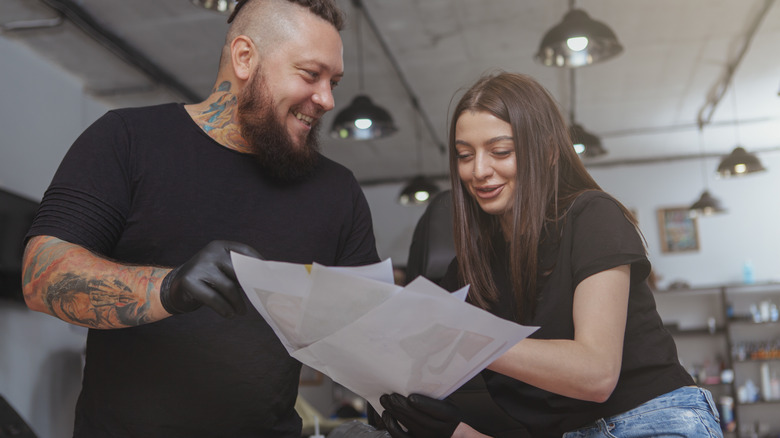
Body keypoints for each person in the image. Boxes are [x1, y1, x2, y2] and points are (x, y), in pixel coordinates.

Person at [21, 0, 379, 436]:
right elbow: (42, 277)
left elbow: (369, 338)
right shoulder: (127, 140)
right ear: (245, 57)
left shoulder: (337, 192)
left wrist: (383, 421)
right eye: (311, 75)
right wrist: (168, 288)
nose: (326, 99)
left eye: (334, 81)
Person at [379, 72, 722, 438]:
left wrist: (465, 338)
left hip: (650, 419)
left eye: (501, 151)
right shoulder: (468, 271)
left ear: (546, 151)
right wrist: (451, 431)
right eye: (465, 155)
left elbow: (596, 374)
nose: (478, 171)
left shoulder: (592, 216)